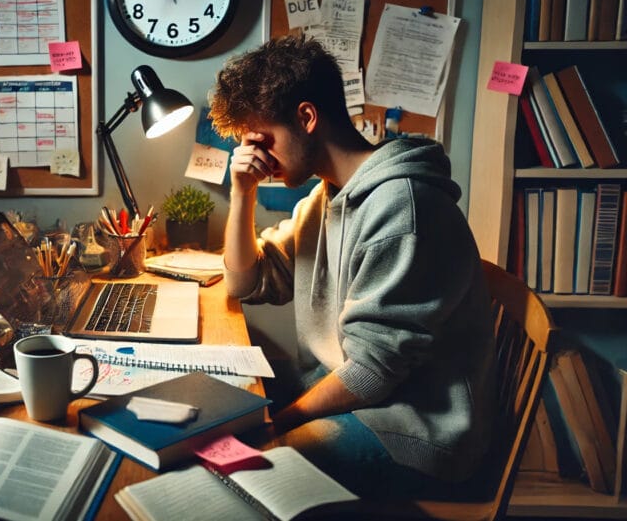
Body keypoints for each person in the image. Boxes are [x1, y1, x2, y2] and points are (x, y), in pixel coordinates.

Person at [208, 35, 495, 498]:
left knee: (255, 469)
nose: (258, 156)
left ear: (306, 117)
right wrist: (243, 193)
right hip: (351, 395)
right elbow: (246, 282)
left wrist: (277, 423)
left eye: (263, 139)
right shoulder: (326, 196)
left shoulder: (404, 209)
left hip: (418, 429)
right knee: (215, 407)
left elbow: (372, 373)